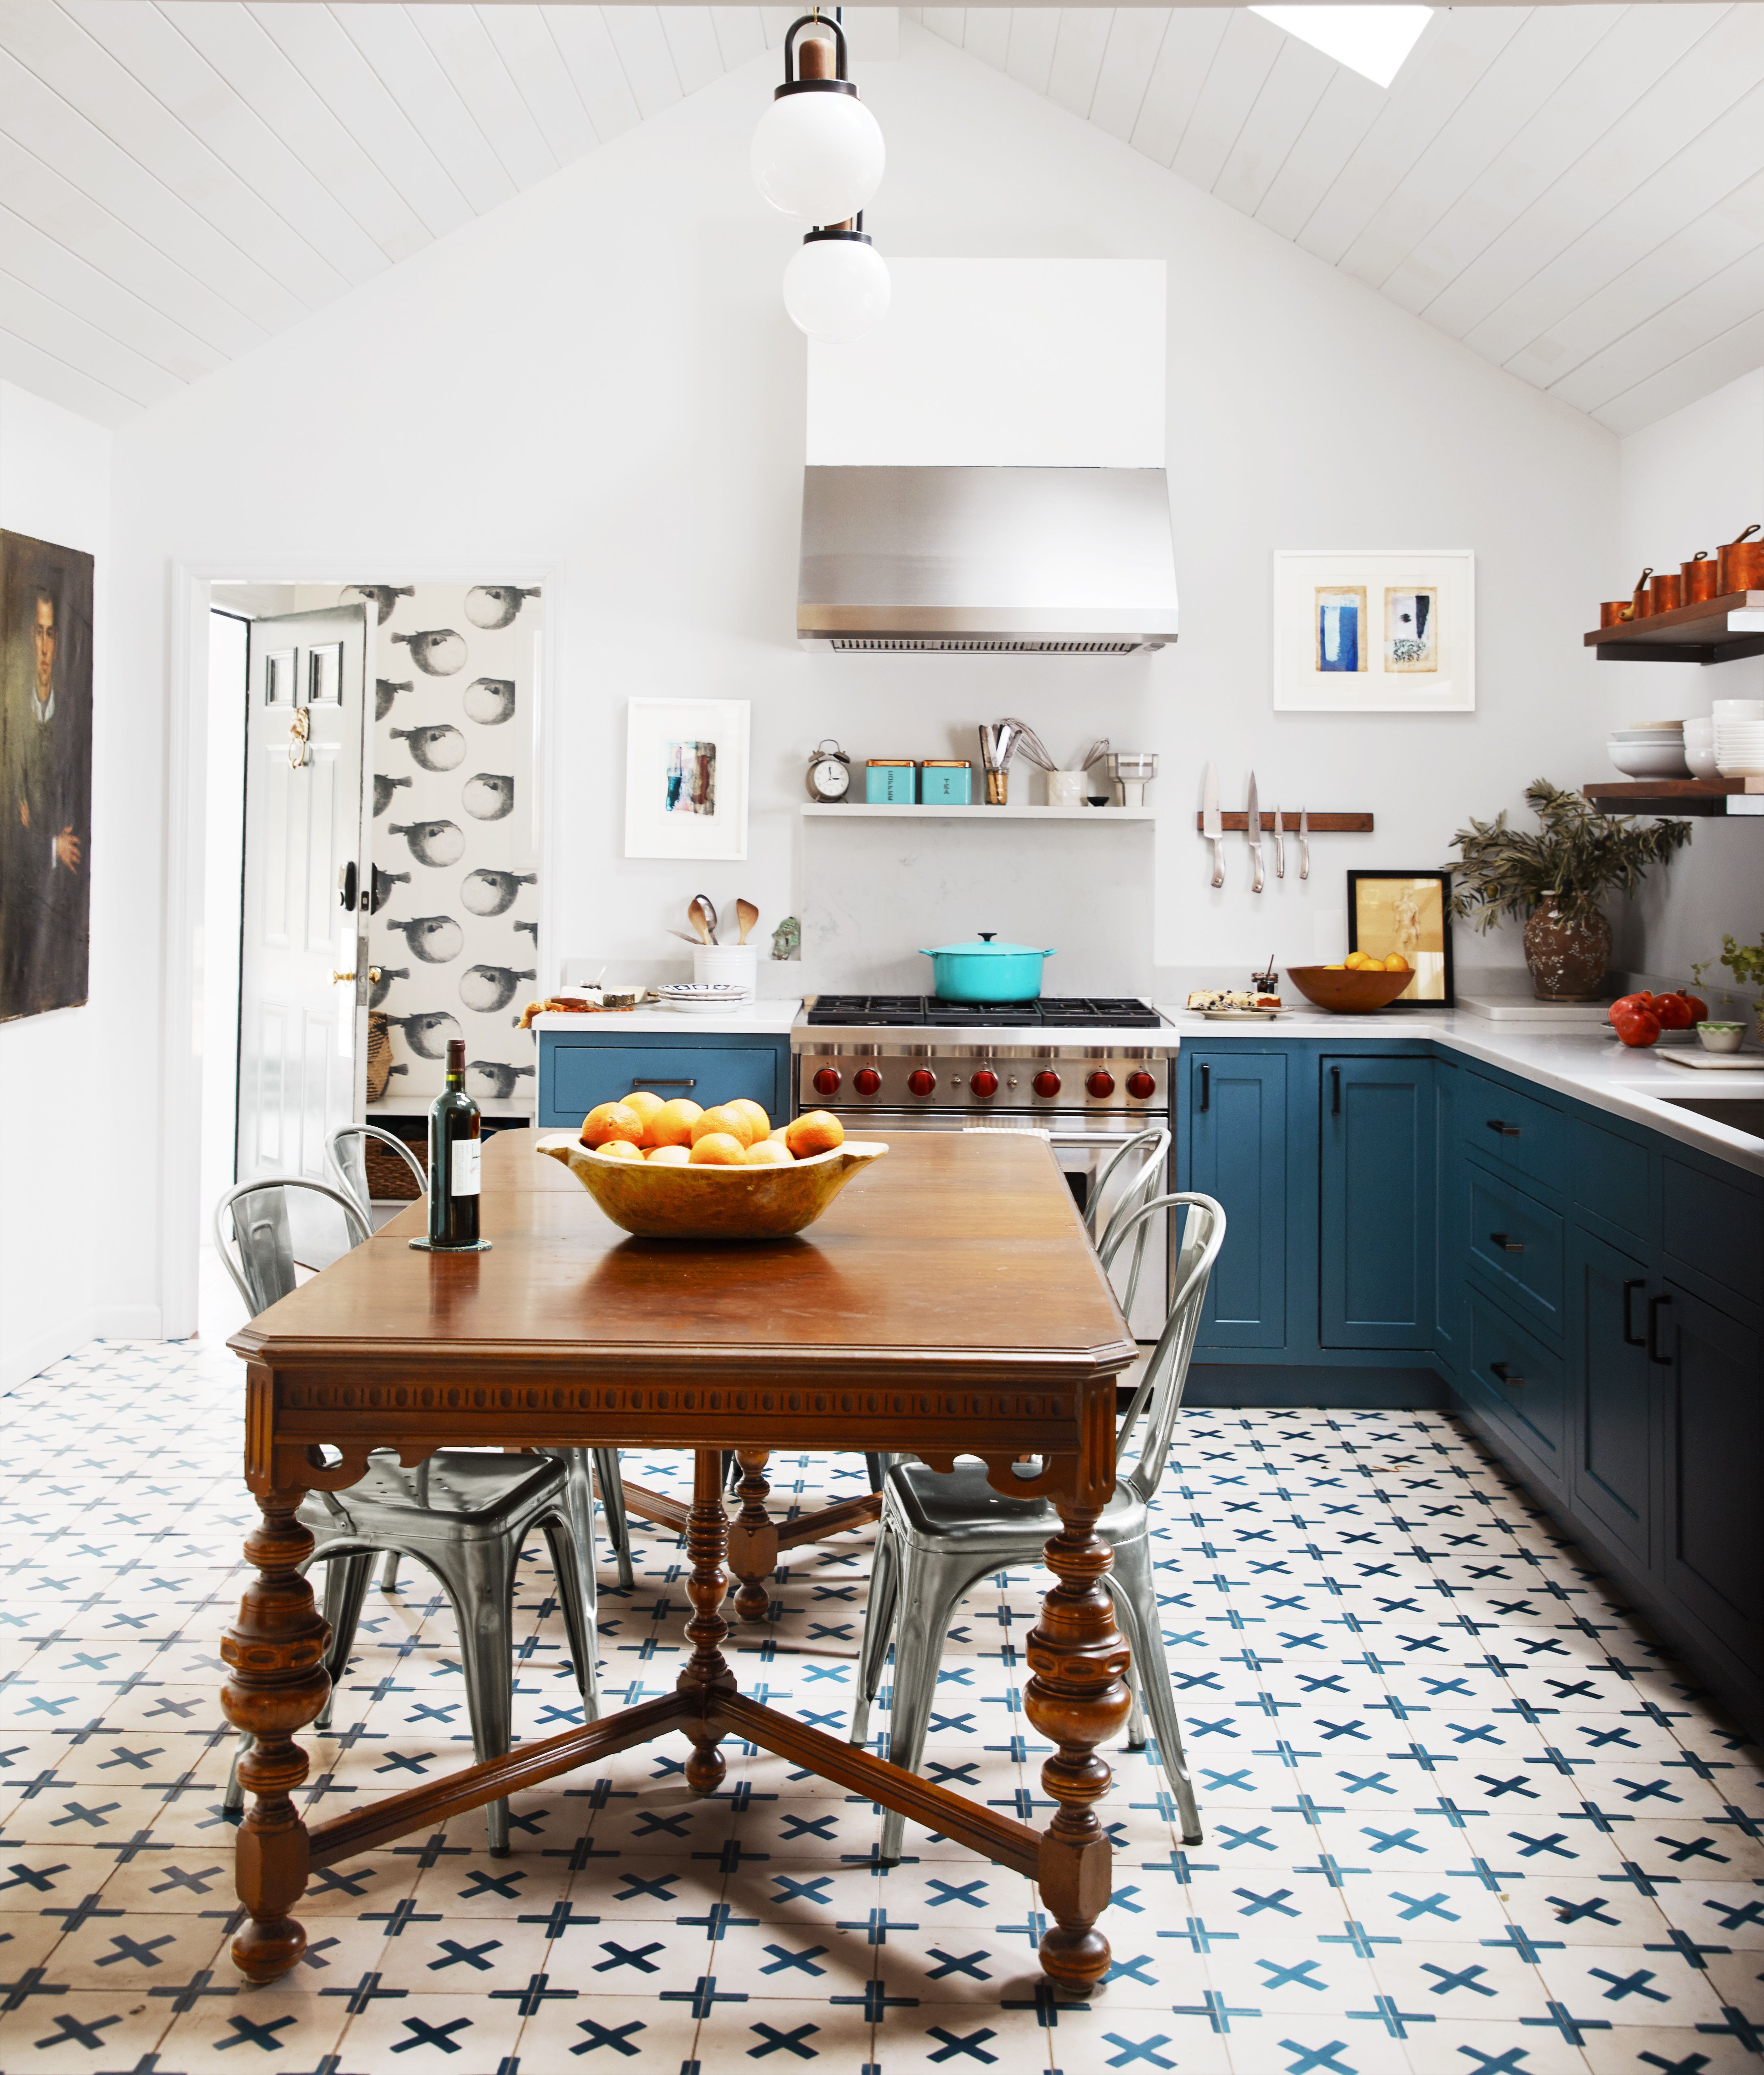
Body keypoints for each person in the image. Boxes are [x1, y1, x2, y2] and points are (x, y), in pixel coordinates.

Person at [2, 570, 90, 1018]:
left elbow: (76, 831)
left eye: (50, 633)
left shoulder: (72, 724)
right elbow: (9, 843)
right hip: (17, 930)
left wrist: (36, 834)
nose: (42, 646)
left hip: (62, 928)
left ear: (58, 641)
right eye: (36, 632)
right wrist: (48, 844)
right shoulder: (10, 725)